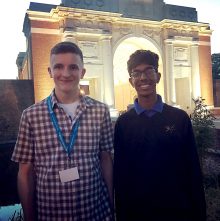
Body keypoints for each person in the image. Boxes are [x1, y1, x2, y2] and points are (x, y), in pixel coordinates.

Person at [12, 41, 114, 221]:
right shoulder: (31, 116)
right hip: (50, 214)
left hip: (95, 212)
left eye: (73, 67)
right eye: (58, 67)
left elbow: (105, 159)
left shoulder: (100, 111)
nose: (66, 73)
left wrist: (112, 205)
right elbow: (25, 173)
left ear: (82, 72)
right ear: (50, 71)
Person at [114, 49, 206, 221]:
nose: (143, 78)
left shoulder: (179, 118)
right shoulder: (123, 123)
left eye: (149, 70)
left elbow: (193, 170)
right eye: (137, 73)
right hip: (138, 212)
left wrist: (199, 213)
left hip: (177, 210)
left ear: (158, 76)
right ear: (131, 80)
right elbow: (121, 176)